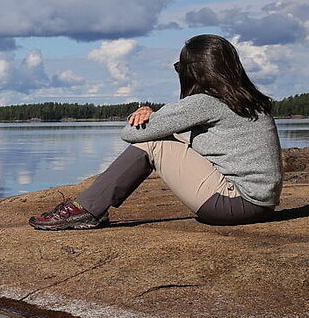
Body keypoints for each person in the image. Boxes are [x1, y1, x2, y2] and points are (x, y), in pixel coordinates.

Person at [29, 34, 281, 229]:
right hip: (261, 205)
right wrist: (158, 117)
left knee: (153, 144)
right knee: (161, 140)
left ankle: (86, 209)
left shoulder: (206, 102)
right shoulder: (251, 102)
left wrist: (145, 115)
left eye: (179, 68)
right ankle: (92, 206)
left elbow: (132, 134)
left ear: (195, 71)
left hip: (234, 204)